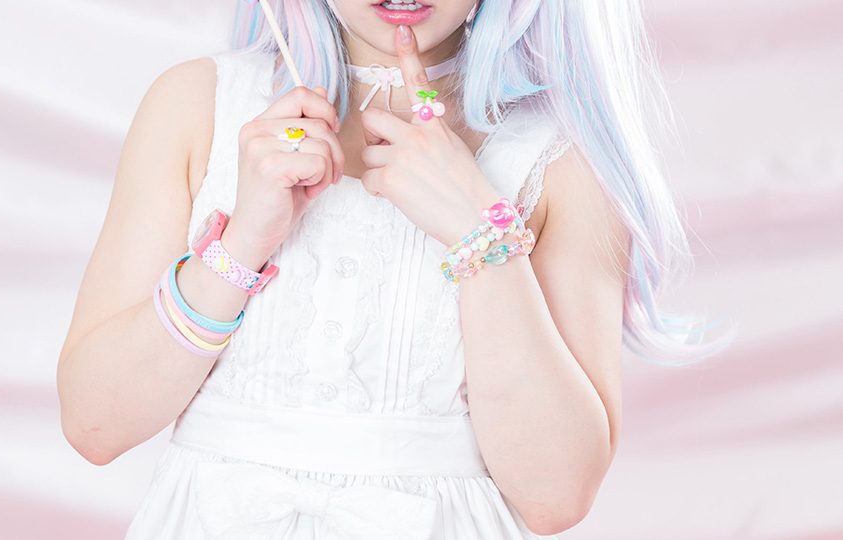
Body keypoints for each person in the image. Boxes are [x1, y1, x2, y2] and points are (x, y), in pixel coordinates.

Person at [57, 1, 735, 538]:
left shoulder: (561, 157)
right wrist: (240, 245)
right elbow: (94, 425)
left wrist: (480, 234)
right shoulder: (197, 106)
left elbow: (555, 496)